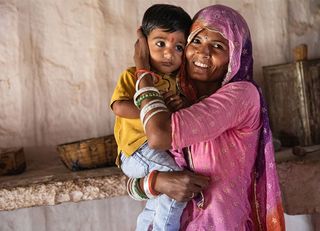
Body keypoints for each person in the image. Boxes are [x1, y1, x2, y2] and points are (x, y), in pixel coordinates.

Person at [132, 4, 285, 231]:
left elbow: (159, 135)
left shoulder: (242, 95)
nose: (203, 53)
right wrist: (156, 182)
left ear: (234, 55)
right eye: (196, 41)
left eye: (217, 45)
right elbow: (136, 170)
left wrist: (143, 70)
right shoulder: (174, 100)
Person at [110, 4, 192, 231]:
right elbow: (119, 107)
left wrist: (181, 106)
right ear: (143, 43)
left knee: (157, 201)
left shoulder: (178, 81)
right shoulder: (132, 75)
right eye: (160, 43)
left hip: (157, 149)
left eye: (178, 47)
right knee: (176, 180)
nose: (169, 53)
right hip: (137, 151)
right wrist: (155, 108)